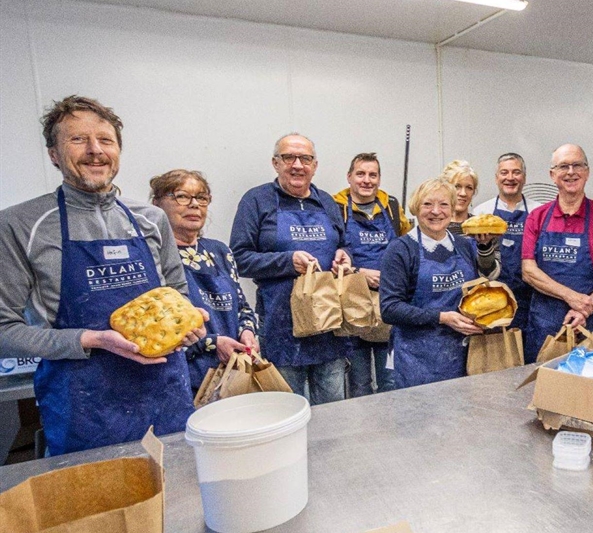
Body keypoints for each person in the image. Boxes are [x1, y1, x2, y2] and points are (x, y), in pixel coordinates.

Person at [0, 96, 204, 455]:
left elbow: (178, 296)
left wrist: (190, 329)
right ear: (53, 153)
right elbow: (4, 331)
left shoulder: (151, 219)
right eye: (78, 139)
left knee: (180, 502)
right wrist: (90, 339)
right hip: (84, 407)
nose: (95, 151)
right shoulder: (22, 224)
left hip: (165, 397)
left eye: (105, 140)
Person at [230, 133, 351, 404]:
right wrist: (287, 261)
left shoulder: (327, 203)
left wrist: (345, 255)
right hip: (282, 327)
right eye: (289, 157)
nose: (298, 165)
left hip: (328, 326)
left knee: (335, 411)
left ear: (315, 165)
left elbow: (344, 244)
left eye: (305, 158)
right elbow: (239, 258)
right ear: (275, 163)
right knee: (289, 410)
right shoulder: (256, 201)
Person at [380, 178, 498, 388]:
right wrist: (442, 317)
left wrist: (485, 248)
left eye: (444, 204)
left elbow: (485, 283)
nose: (436, 211)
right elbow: (390, 309)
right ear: (416, 208)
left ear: (453, 209)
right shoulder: (400, 250)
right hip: (416, 357)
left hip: (461, 354)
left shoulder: (464, 245)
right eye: (427, 204)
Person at [151, 169, 258, 390]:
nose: (194, 204)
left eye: (201, 197)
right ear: (157, 204)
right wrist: (211, 343)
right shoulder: (153, 255)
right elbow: (157, 331)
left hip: (230, 375)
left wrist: (247, 332)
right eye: (181, 196)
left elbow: (243, 308)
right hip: (179, 378)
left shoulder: (219, 251)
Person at [521, 144, 593, 359]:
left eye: (577, 165)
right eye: (563, 166)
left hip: (590, 322)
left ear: (587, 173)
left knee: (589, 388)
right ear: (553, 175)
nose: (571, 172)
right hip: (545, 324)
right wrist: (573, 298)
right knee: (543, 386)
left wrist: (585, 308)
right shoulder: (537, 217)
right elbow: (528, 270)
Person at [332, 152, 411, 397]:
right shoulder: (335, 209)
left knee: (390, 382)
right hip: (351, 305)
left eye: (372, 175)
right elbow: (328, 257)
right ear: (349, 177)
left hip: (388, 304)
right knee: (359, 384)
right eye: (361, 174)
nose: (367, 180)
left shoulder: (392, 207)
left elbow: (407, 248)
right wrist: (358, 273)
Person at [474, 152, 542, 357]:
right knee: (499, 362)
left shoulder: (539, 212)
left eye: (516, 172)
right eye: (504, 172)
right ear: (496, 178)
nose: (510, 178)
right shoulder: (481, 213)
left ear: (524, 177)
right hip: (495, 301)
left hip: (532, 300)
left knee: (530, 358)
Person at [441, 160, 479, 236]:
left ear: (474, 192)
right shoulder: (434, 226)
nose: (463, 193)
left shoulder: (480, 226)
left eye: (469, 187)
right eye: (457, 186)